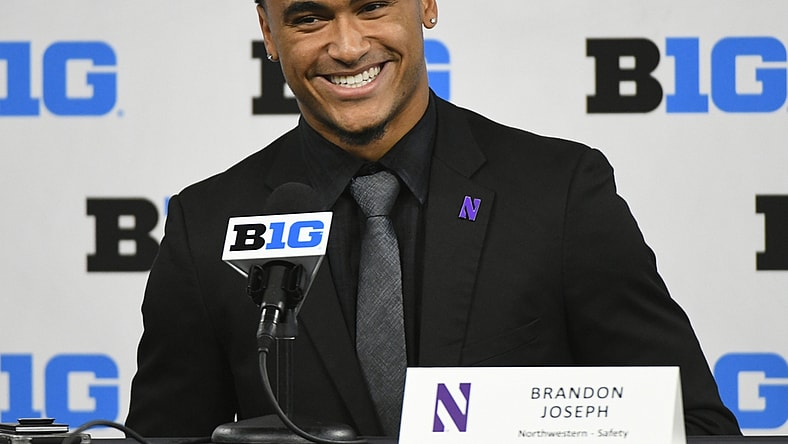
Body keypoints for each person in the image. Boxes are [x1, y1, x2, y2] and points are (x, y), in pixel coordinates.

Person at [126, 0, 741, 438]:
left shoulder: (558, 193)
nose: (347, 46)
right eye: (309, 16)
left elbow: (696, 426)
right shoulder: (205, 224)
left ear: (427, 4)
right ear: (267, 28)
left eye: (372, 6)